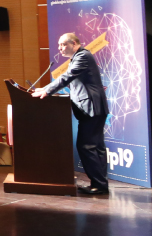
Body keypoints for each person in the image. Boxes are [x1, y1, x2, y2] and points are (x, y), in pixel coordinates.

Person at [33, 32, 110, 194]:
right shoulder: (77, 58)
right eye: (59, 45)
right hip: (94, 108)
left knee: (87, 146)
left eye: (63, 45)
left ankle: (99, 184)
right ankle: (100, 184)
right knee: (97, 147)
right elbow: (77, 85)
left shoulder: (82, 56)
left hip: (91, 109)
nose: (60, 48)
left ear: (74, 44)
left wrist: (47, 90)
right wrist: (51, 91)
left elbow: (67, 77)